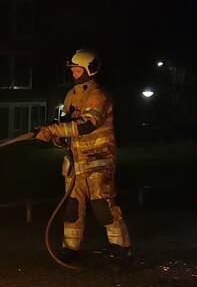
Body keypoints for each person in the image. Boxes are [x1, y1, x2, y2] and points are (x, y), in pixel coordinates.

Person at [34, 49, 131, 263]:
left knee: (102, 207)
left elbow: (87, 125)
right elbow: (68, 124)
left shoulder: (99, 95)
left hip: (98, 160)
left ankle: (121, 248)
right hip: (75, 161)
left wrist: (54, 130)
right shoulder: (73, 94)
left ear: (90, 69)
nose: (74, 73)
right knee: (72, 207)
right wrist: (53, 134)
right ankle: (70, 248)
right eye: (73, 70)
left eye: (78, 69)